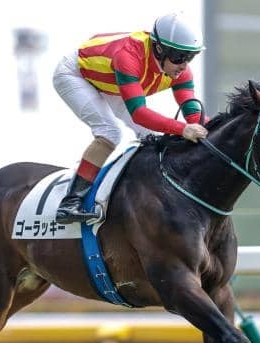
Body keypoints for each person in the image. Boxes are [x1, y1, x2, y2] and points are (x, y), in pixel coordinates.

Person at [52, 12, 208, 224]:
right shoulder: (129, 57)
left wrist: (216, 127)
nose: (184, 65)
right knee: (110, 133)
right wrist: (182, 129)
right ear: (159, 49)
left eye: (190, 57)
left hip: (113, 82)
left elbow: (193, 113)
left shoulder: (181, 71)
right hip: (76, 74)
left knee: (152, 136)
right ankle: (70, 202)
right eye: (179, 57)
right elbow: (139, 114)